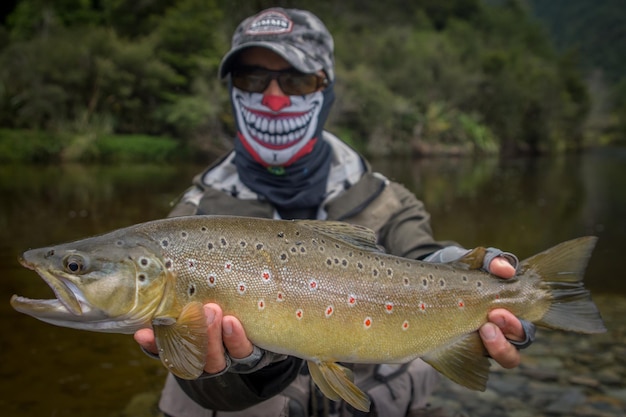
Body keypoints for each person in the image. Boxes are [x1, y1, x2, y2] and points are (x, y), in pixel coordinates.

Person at [134, 7, 534, 417]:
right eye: (251, 78)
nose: (273, 98)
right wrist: (244, 371)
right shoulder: (188, 222)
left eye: (297, 79)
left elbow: (423, 255)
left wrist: (470, 272)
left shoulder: (387, 201)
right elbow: (202, 382)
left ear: (325, 90)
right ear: (233, 90)